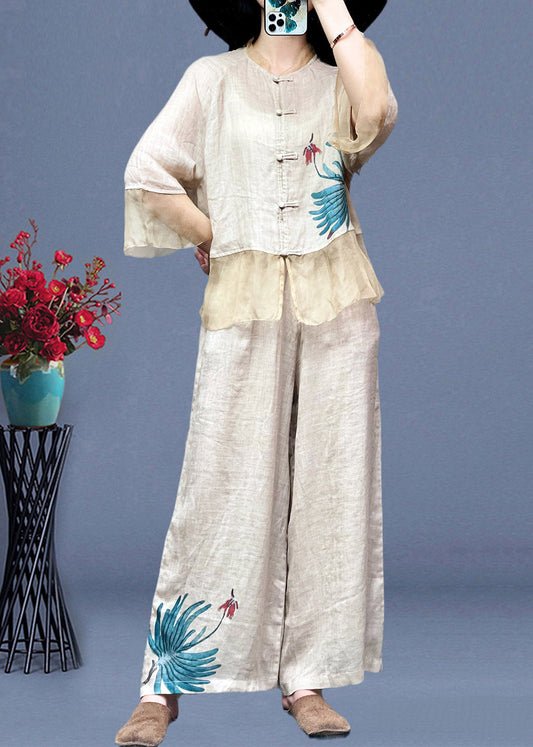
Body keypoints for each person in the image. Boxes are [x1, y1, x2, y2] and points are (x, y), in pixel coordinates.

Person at [116, 0, 397, 743]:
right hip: (245, 303)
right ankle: (164, 683)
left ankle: (306, 678)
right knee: (220, 480)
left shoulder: (343, 80)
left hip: (337, 301)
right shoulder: (209, 80)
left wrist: (331, 9)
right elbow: (147, 170)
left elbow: (377, 114)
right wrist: (212, 233)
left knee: (330, 487)